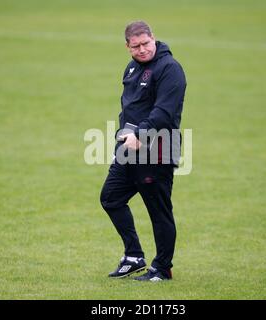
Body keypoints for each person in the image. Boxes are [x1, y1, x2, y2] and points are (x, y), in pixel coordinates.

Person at [100, 21, 187, 281]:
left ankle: (162, 268)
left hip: (157, 148)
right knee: (111, 197)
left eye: (146, 43)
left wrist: (140, 134)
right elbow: (129, 109)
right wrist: (122, 137)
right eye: (136, 46)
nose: (142, 50)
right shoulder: (132, 67)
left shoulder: (170, 69)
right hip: (129, 149)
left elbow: (164, 112)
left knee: (158, 210)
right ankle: (134, 256)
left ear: (154, 38)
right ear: (127, 47)